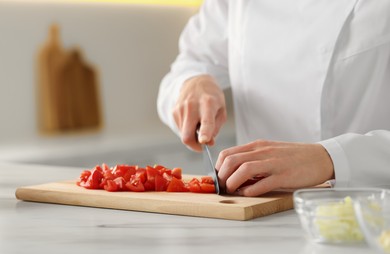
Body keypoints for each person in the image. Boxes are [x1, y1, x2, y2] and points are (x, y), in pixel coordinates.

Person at [157, 0, 390, 196]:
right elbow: (189, 64)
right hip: (255, 210)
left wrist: (332, 158)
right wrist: (193, 83)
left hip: (372, 209)